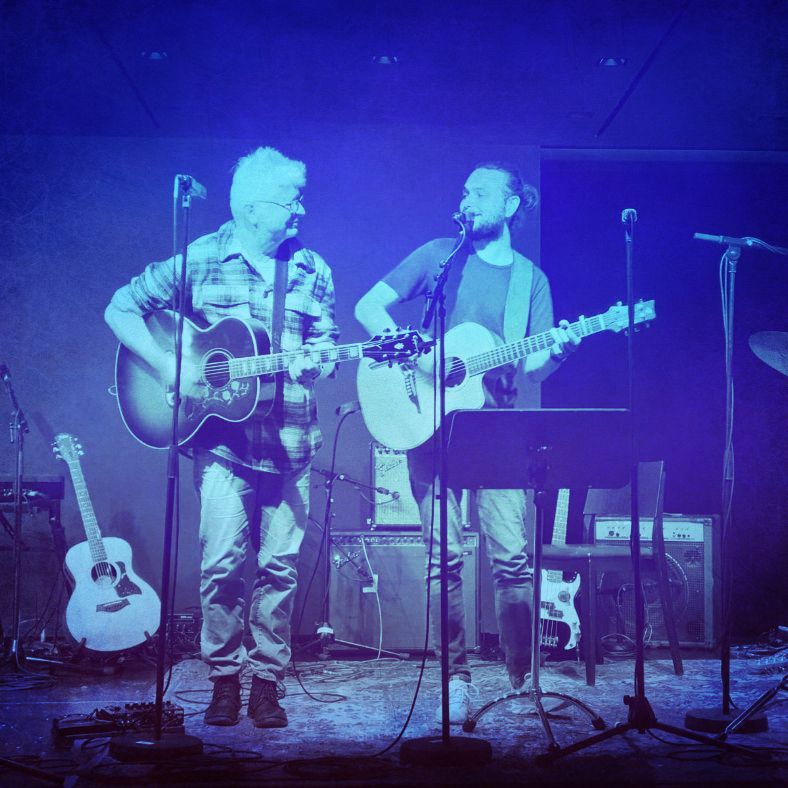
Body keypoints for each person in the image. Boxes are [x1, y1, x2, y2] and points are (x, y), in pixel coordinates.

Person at [105, 147, 339, 728]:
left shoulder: (311, 267)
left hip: (291, 443)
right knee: (221, 566)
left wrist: (319, 362)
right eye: (292, 200)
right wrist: (170, 366)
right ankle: (224, 682)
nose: (302, 210)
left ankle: (267, 684)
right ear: (253, 207)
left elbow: (328, 344)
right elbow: (120, 309)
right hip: (221, 446)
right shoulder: (203, 257)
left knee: (279, 570)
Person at [354, 163, 580, 724]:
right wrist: (415, 354)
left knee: (513, 560)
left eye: (481, 192)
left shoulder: (530, 280)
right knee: (443, 560)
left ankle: (522, 677)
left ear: (511, 206)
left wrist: (562, 349)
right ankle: (454, 679)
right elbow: (367, 306)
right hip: (427, 425)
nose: (468, 199)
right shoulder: (440, 257)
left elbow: (533, 366)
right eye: (465, 191)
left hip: (499, 435)